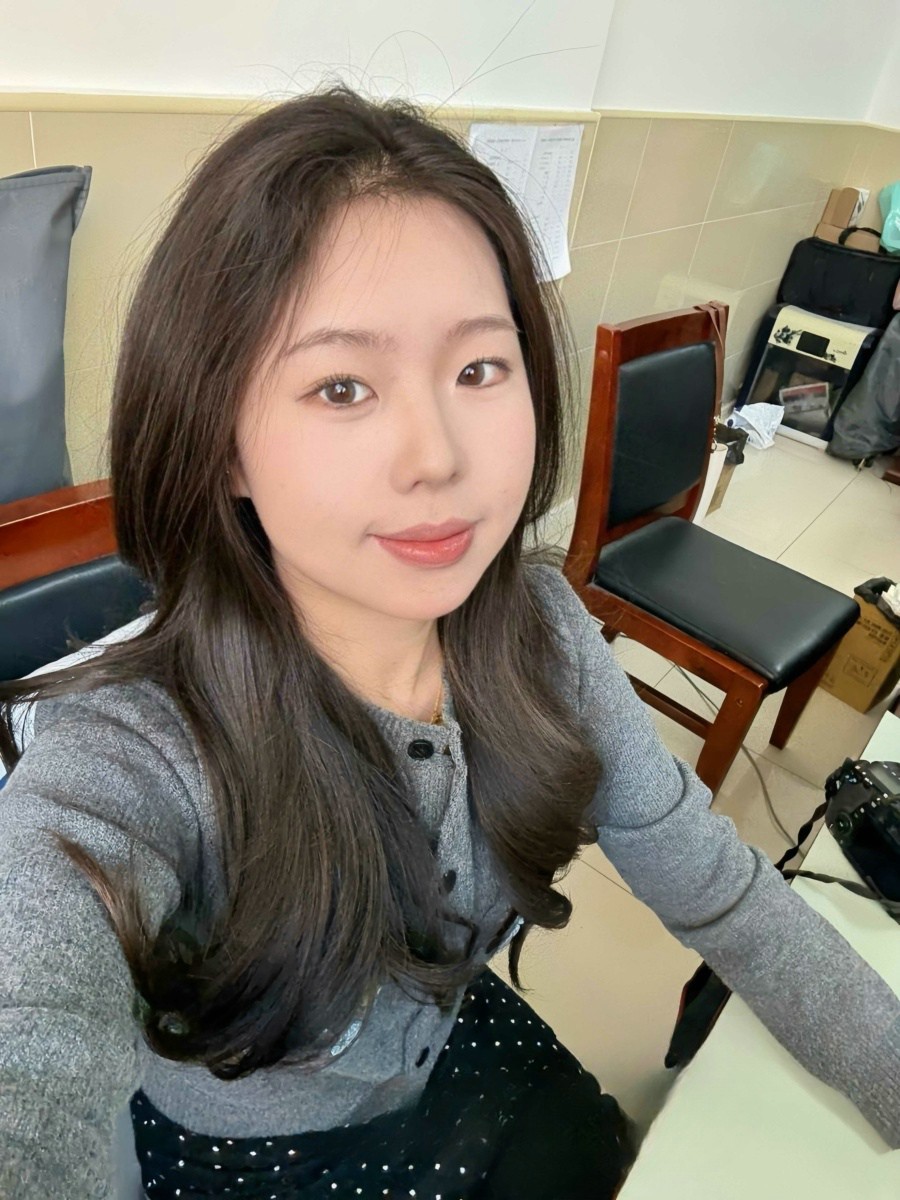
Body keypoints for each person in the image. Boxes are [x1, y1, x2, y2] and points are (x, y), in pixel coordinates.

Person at [0, 84, 897, 1200]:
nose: (438, 456)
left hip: (454, 1050)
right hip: (243, 1160)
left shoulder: (543, 633)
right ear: (221, 441)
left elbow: (714, 885)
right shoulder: (132, 755)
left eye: (479, 369)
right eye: (342, 386)